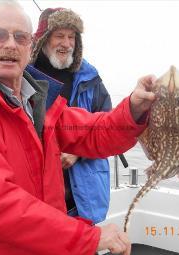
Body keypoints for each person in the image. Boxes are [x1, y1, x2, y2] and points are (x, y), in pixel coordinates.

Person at [0, 1, 156, 254]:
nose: (11, 44)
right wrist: (89, 237)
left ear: (30, 46)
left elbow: (94, 131)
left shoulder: (38, 102)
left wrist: (134, 109)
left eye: (20, 37)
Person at [28, 7, 112, 223]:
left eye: (72, 37)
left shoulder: (91, 79)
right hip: (38, 202)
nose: (66, 43)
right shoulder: (22, 77)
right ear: (43, 39)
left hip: (81, 203)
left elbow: (110, 129)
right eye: (59, 36)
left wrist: (78, 152)